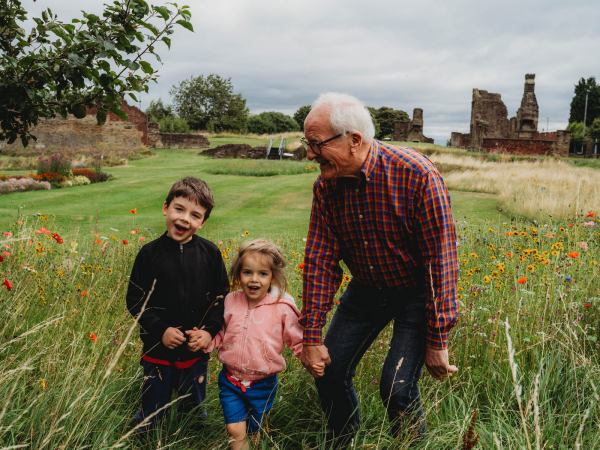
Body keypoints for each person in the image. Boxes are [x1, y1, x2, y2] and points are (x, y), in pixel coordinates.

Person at [298, 93, 459, 444]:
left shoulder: (416, 175)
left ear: (354, 140)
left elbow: (440, 261)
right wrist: (311, 336)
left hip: (416, 292)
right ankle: (345, 441)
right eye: (306, 143)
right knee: (329, 371)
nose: (309, 154)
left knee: (397, 387)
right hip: (367, 288)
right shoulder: (326, 187)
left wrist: (438, 339)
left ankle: (411, 444)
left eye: (315, 144)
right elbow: (320, 261)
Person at [191, 239, 324, 450]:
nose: (254, 279)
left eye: (262, 273)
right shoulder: (231, 301)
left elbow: (297, 339)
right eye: (247, 272)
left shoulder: (282, 305)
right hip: (231, 380)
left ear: (273, 276)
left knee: (255, 430)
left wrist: (311, 360)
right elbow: (220, 332)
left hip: (264, 383)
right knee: (235, 431)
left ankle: (256, 438)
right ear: (238, 273)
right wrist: (205, 341)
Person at [126, 177, 230, 432]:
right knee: (153, 407)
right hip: (157, 351)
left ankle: (193, 436)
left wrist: (208, 332)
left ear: (203, 222)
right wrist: (160, 330)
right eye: (179, 209)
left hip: (195, 352)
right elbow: (135, 300)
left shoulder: (210, 253)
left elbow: (221, 298)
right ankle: (147, 436)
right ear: (166, 208)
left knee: (192, 407)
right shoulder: (149, 254)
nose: (184, 219)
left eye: (195, 215)